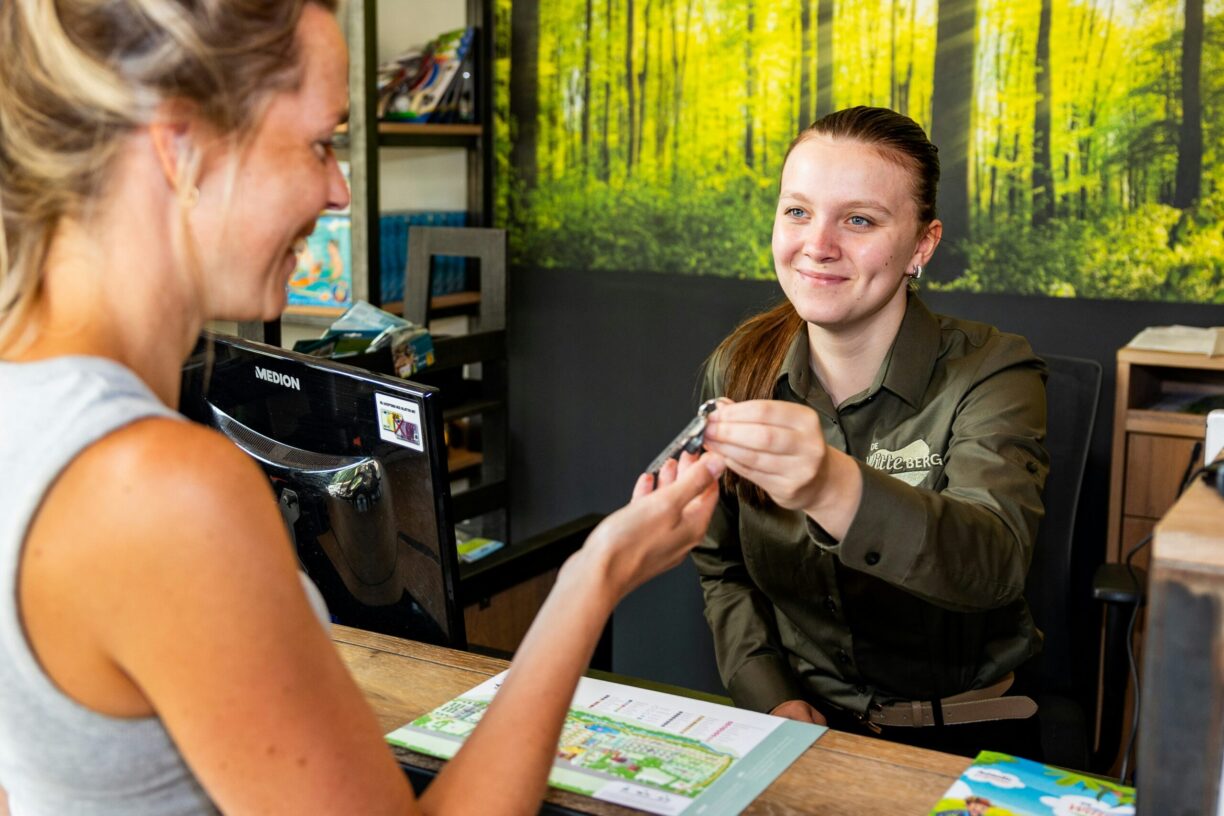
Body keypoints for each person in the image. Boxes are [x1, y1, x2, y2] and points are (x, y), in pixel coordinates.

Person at [0, 1, 723, 813]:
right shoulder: (163, 492)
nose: (338, 190)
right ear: (182, 147)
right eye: (321, 145)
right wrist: (594, 579)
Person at [693, 106, 1049, 759]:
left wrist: (831, 485)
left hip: (963, 739)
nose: (818, 244)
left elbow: (993, 564)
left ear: (922, 245)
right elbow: (722, 568)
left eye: (858, 220)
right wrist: (769, 695)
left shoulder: (994, 371)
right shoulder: (738, 367)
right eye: (797, 211)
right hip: (804, 730)